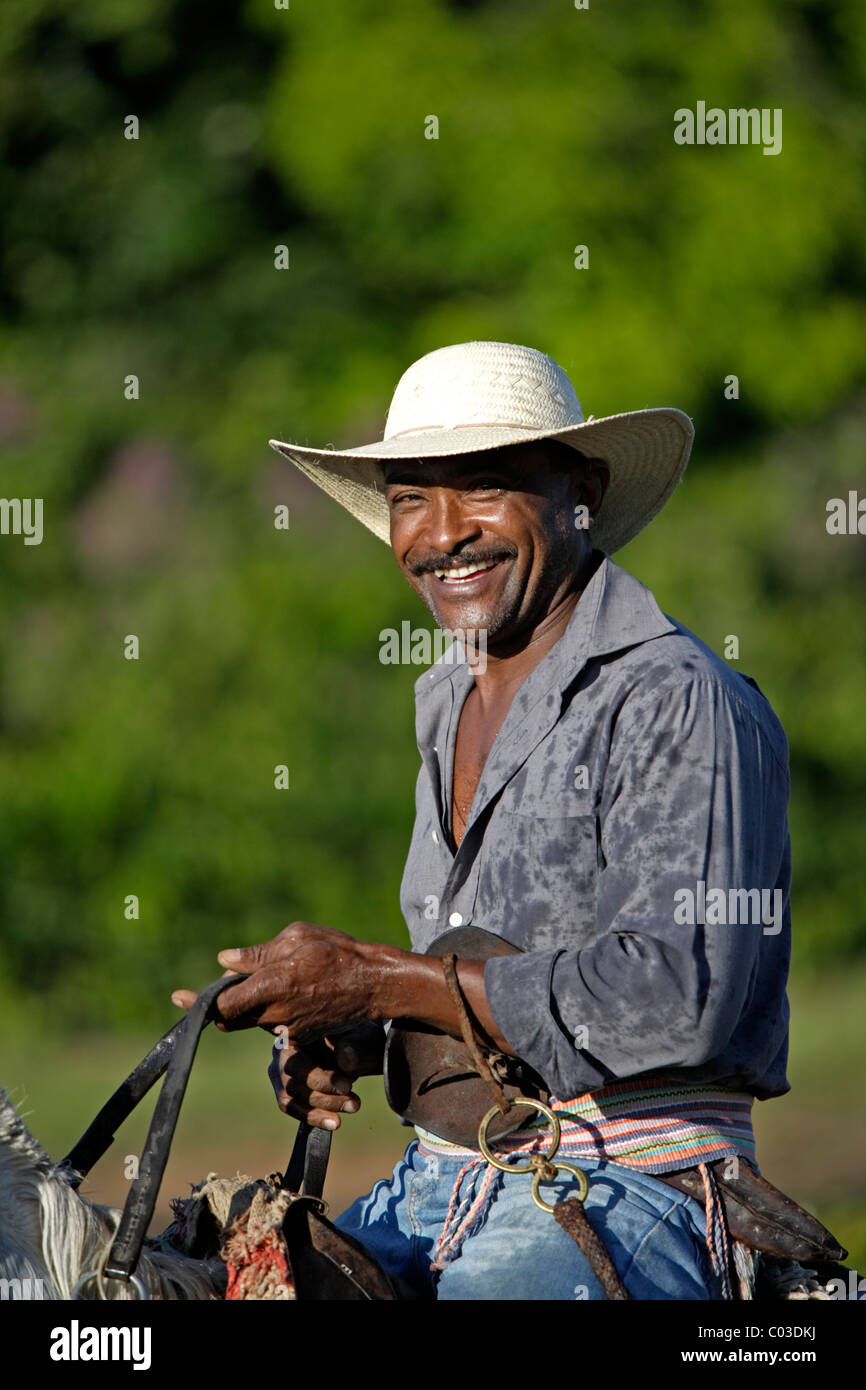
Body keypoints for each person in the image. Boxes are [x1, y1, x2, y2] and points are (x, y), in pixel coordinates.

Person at [172, 340, 795, 1300]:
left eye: (484, 488)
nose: (441, 534)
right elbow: (476, 983)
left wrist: (377, 979)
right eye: (411, 499)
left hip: (626, 1187)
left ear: (580, 490)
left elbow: (675, 998)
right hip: (440, 1180)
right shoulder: (442, 699)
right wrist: (351, 1031)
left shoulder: (675, 698)